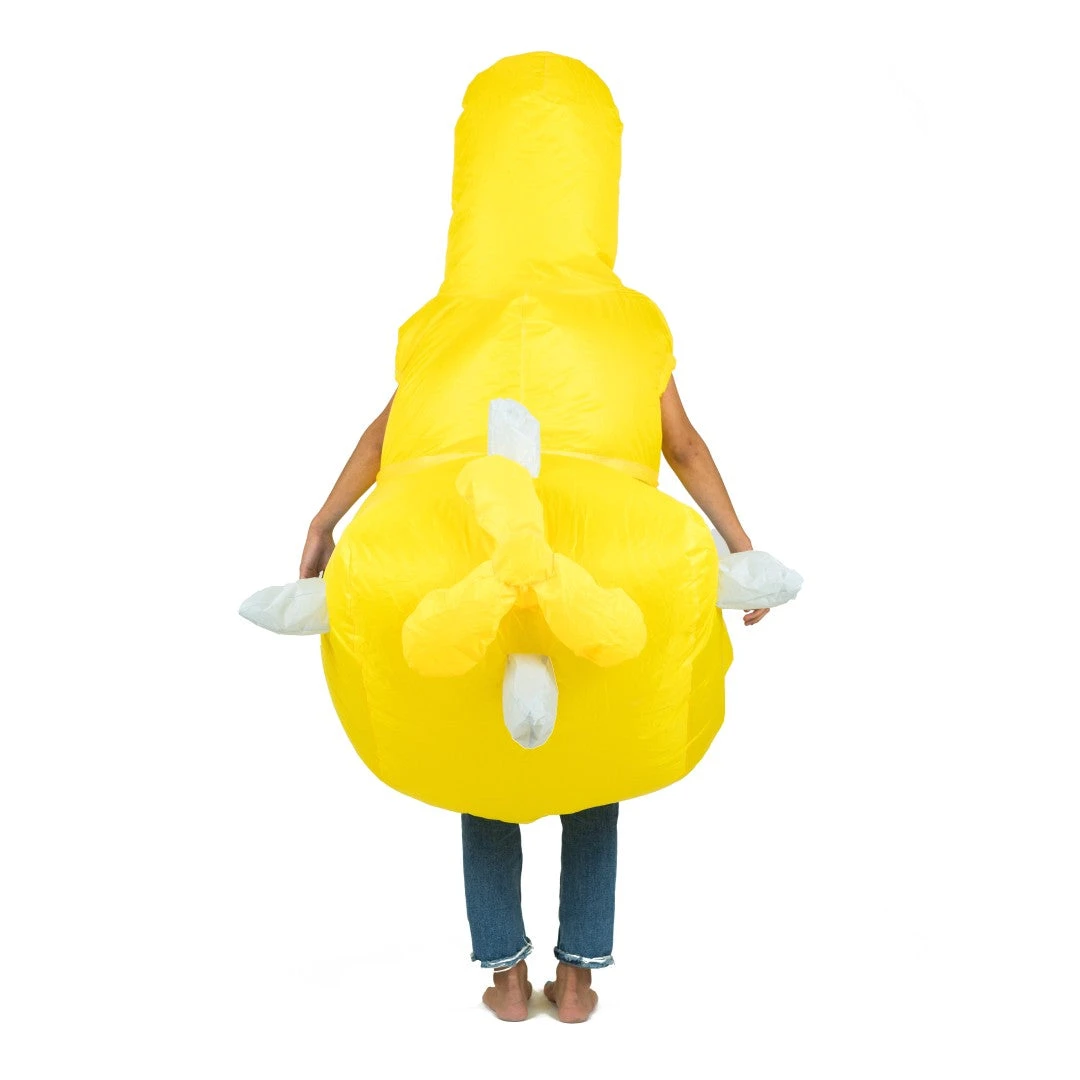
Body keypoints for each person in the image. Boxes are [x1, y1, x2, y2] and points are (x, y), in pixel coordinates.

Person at [299, 375, 768, 1022]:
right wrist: (740, 546)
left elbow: (384, 438)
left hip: (472, 552)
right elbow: (682, 445)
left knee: (484, 769)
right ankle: (576, 981)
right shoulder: (624, 337)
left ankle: (508, 979)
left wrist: (324, 522)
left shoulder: (456, 335)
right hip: (598, 552)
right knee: (595, 766)